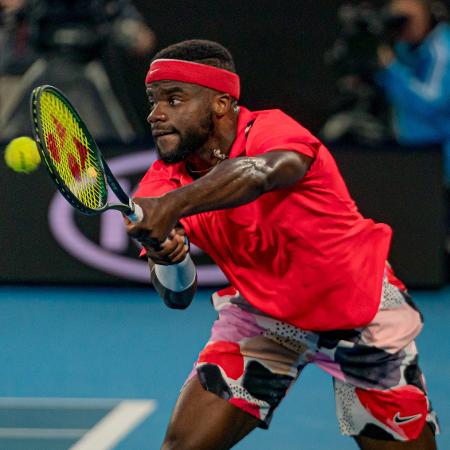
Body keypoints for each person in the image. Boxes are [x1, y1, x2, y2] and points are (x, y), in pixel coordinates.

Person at [126, 39, 439, 450]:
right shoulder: (161, 179)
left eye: (173, 98)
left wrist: (171, 205)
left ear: (220, 103)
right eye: (153, 101)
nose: (156, 114)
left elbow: (262, 172)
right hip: (265, 315)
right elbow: (177, 294)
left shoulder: (270, 130)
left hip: (359, 309)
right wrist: (171, 255)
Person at [0, 0, 156, 142]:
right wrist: (14, 13)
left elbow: (144, 41)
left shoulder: (105, 4)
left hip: (89, 72)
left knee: (117, 142)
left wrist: (125, 30)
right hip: (40, 69)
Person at [376, 0, 450, 184]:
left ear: (428, 13)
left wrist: (391, 68)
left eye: (410, 16)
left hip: (441, 159)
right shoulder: (402, 48)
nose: (405, 24)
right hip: (412, 157)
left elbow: (433, 103)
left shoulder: (442, 48)